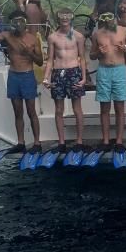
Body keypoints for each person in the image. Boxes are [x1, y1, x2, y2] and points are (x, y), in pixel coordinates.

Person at [0, 9, 43, 156]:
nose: (18, 24)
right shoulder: (6, 35)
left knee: (31, 111)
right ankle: (20, 143)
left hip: (27, 76)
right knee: (17, 111)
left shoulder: (33, 39)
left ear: (25, 23)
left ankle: (37, 143)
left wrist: (30, 53)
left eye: (21, 21)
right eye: (15, 22)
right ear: (12, 24)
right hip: (14, 76)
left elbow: (40, 62)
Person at [89, 11, 126, 154]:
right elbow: (91, 55)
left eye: (110, 17)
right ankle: (105, 140)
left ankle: (119, 141)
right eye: (105, 17)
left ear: (115, 18)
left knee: (119, 107)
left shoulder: (124, 31)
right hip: (103, 70)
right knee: (104, 108)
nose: (108, 20)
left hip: (119, 70)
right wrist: (98, 53)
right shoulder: (97, 34)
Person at [42, 8, 87, 155]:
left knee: (77, 109)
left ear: (72, 17)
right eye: (62, 15)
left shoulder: (78, 36)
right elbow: (50, 59)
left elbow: (83, 58)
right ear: (58, 18)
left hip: (74, 71)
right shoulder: (53, 37)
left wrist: (84, 77)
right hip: (58, 73)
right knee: (59, 109)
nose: (65, 18)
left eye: (68, 15)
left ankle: (79, 141)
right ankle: (61, 143)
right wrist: (46, 77)